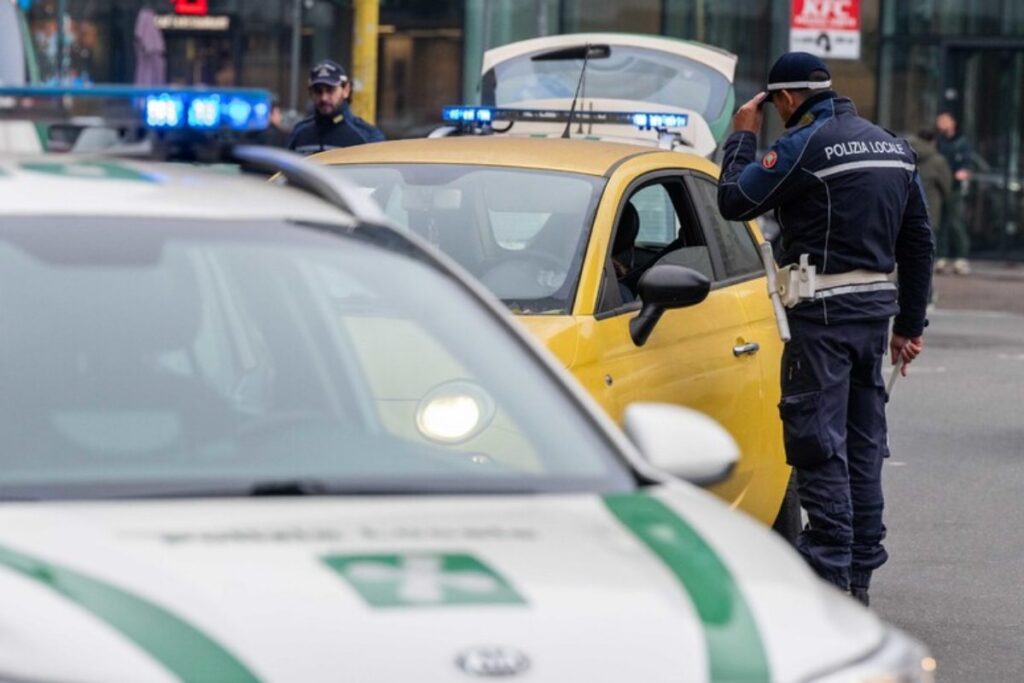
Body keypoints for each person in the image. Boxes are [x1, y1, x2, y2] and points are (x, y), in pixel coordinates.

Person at [717, 52, 934, 607]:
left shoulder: (801, 146)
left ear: (784, 100)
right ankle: (859, 580)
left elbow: (734, 200)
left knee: (819, 448)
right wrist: (909, 326)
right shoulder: (892, 145)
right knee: (864, 449)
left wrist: (742, 136)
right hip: (873, 316)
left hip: (821, 318)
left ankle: (830, 585)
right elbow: (918, 244)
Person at [286, 59, 385, 155]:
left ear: (346, 90)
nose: (324, 98)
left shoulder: (366, 136)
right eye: (318, 91)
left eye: (330, 90)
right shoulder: (300, 134)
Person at [934, 112, 973, 274]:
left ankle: (961, 257)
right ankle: (941, 256)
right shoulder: (938, 142)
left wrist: (963, 172)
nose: (941, 124)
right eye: (939, 121)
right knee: (941, 222)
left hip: (954, 188)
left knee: (955, 221)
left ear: (953, 122)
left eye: (944, 120)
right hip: (940, 187)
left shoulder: (962, 143)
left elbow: (967, 164)